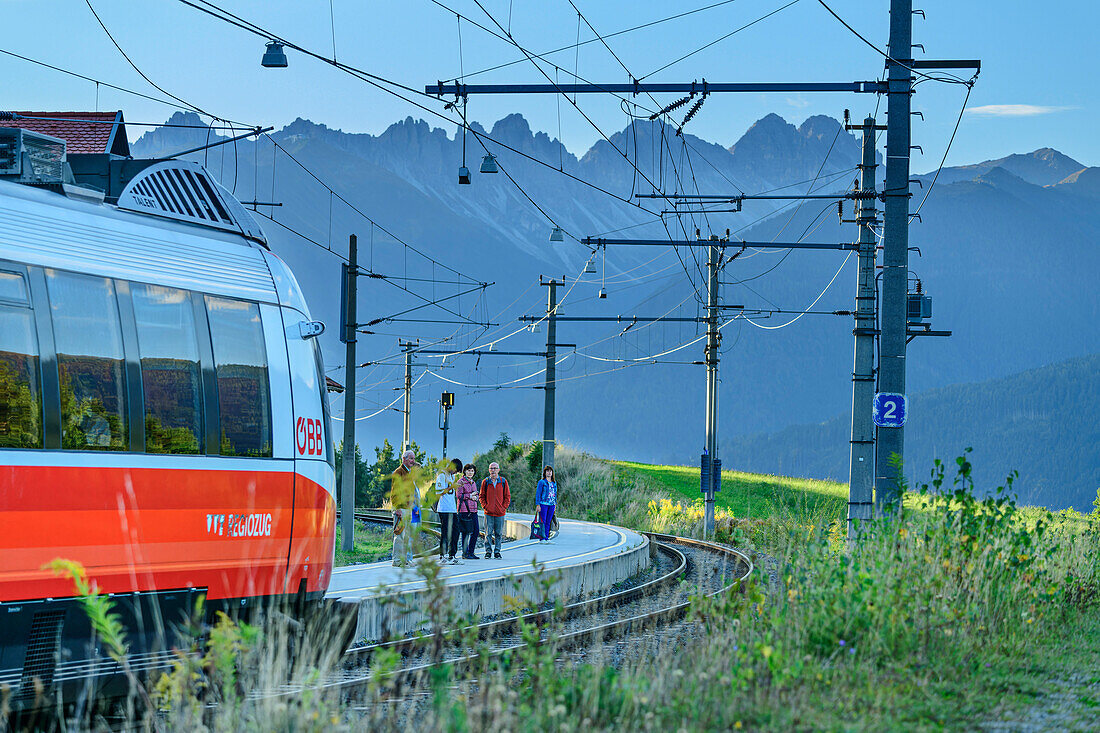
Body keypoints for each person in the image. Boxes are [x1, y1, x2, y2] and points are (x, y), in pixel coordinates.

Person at [389, 449, 422, 567]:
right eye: (411, 458)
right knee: (400, 536)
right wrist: (397, 508)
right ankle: (397, 561)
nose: (413, 461)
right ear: (404, 459)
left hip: (408, 509)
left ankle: (405, 560)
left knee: (407, 536)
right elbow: (395, 492)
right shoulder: (399, 472)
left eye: (413, 458)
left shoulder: (408, 473)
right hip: (401, 509)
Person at [479, 462, 510, 559]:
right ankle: (488, 551)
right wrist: (485, 507)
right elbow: (481, 496)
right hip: (488, 513)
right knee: (488, 533)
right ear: (489, 470)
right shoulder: (486, 482)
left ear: (498, 470)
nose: (493, 470)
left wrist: (503, 507)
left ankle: (497, 551)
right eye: (491, 468)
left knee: (498, 533)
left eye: (495, 468)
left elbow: (507, 496)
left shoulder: (503, 481)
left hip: (500, 513)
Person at [434, 458, 462, 563]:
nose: (456, 473)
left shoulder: (452, 476)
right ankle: (443, 555)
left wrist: (456, 487)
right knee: (445, 532)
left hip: (452, 508)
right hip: (444, 508)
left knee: (456, 531)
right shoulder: (441, 475)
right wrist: (452, 487)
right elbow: (439, 492)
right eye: (456, 470)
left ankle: (452, 555)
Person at [456, 463, 480, 560]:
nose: (470, 472)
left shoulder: (473, 483)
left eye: (472, 471)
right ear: (465, 471)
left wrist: (476, 498)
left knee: (476, 531)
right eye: (469, 470)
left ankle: (471, 552)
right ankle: (465, 553)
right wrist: (470, 496)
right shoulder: (460, 482)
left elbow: (477, 495)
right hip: (464, 510)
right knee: (465, 532)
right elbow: (459, 496)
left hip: (473, 510)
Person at [535, 465, 558, 541]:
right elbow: (538, 493)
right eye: (547, 471)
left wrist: (555, 505)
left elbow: (555, 494)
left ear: (552, 473)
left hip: (551, 504)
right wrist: (538, 504)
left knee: (549, 521)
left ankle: (546, 537)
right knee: (543, 521)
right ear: (544, 473)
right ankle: (542, 538)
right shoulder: (542, 482)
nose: (549, 472)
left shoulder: (554, 483)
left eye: (550, 471)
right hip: (543, 504)